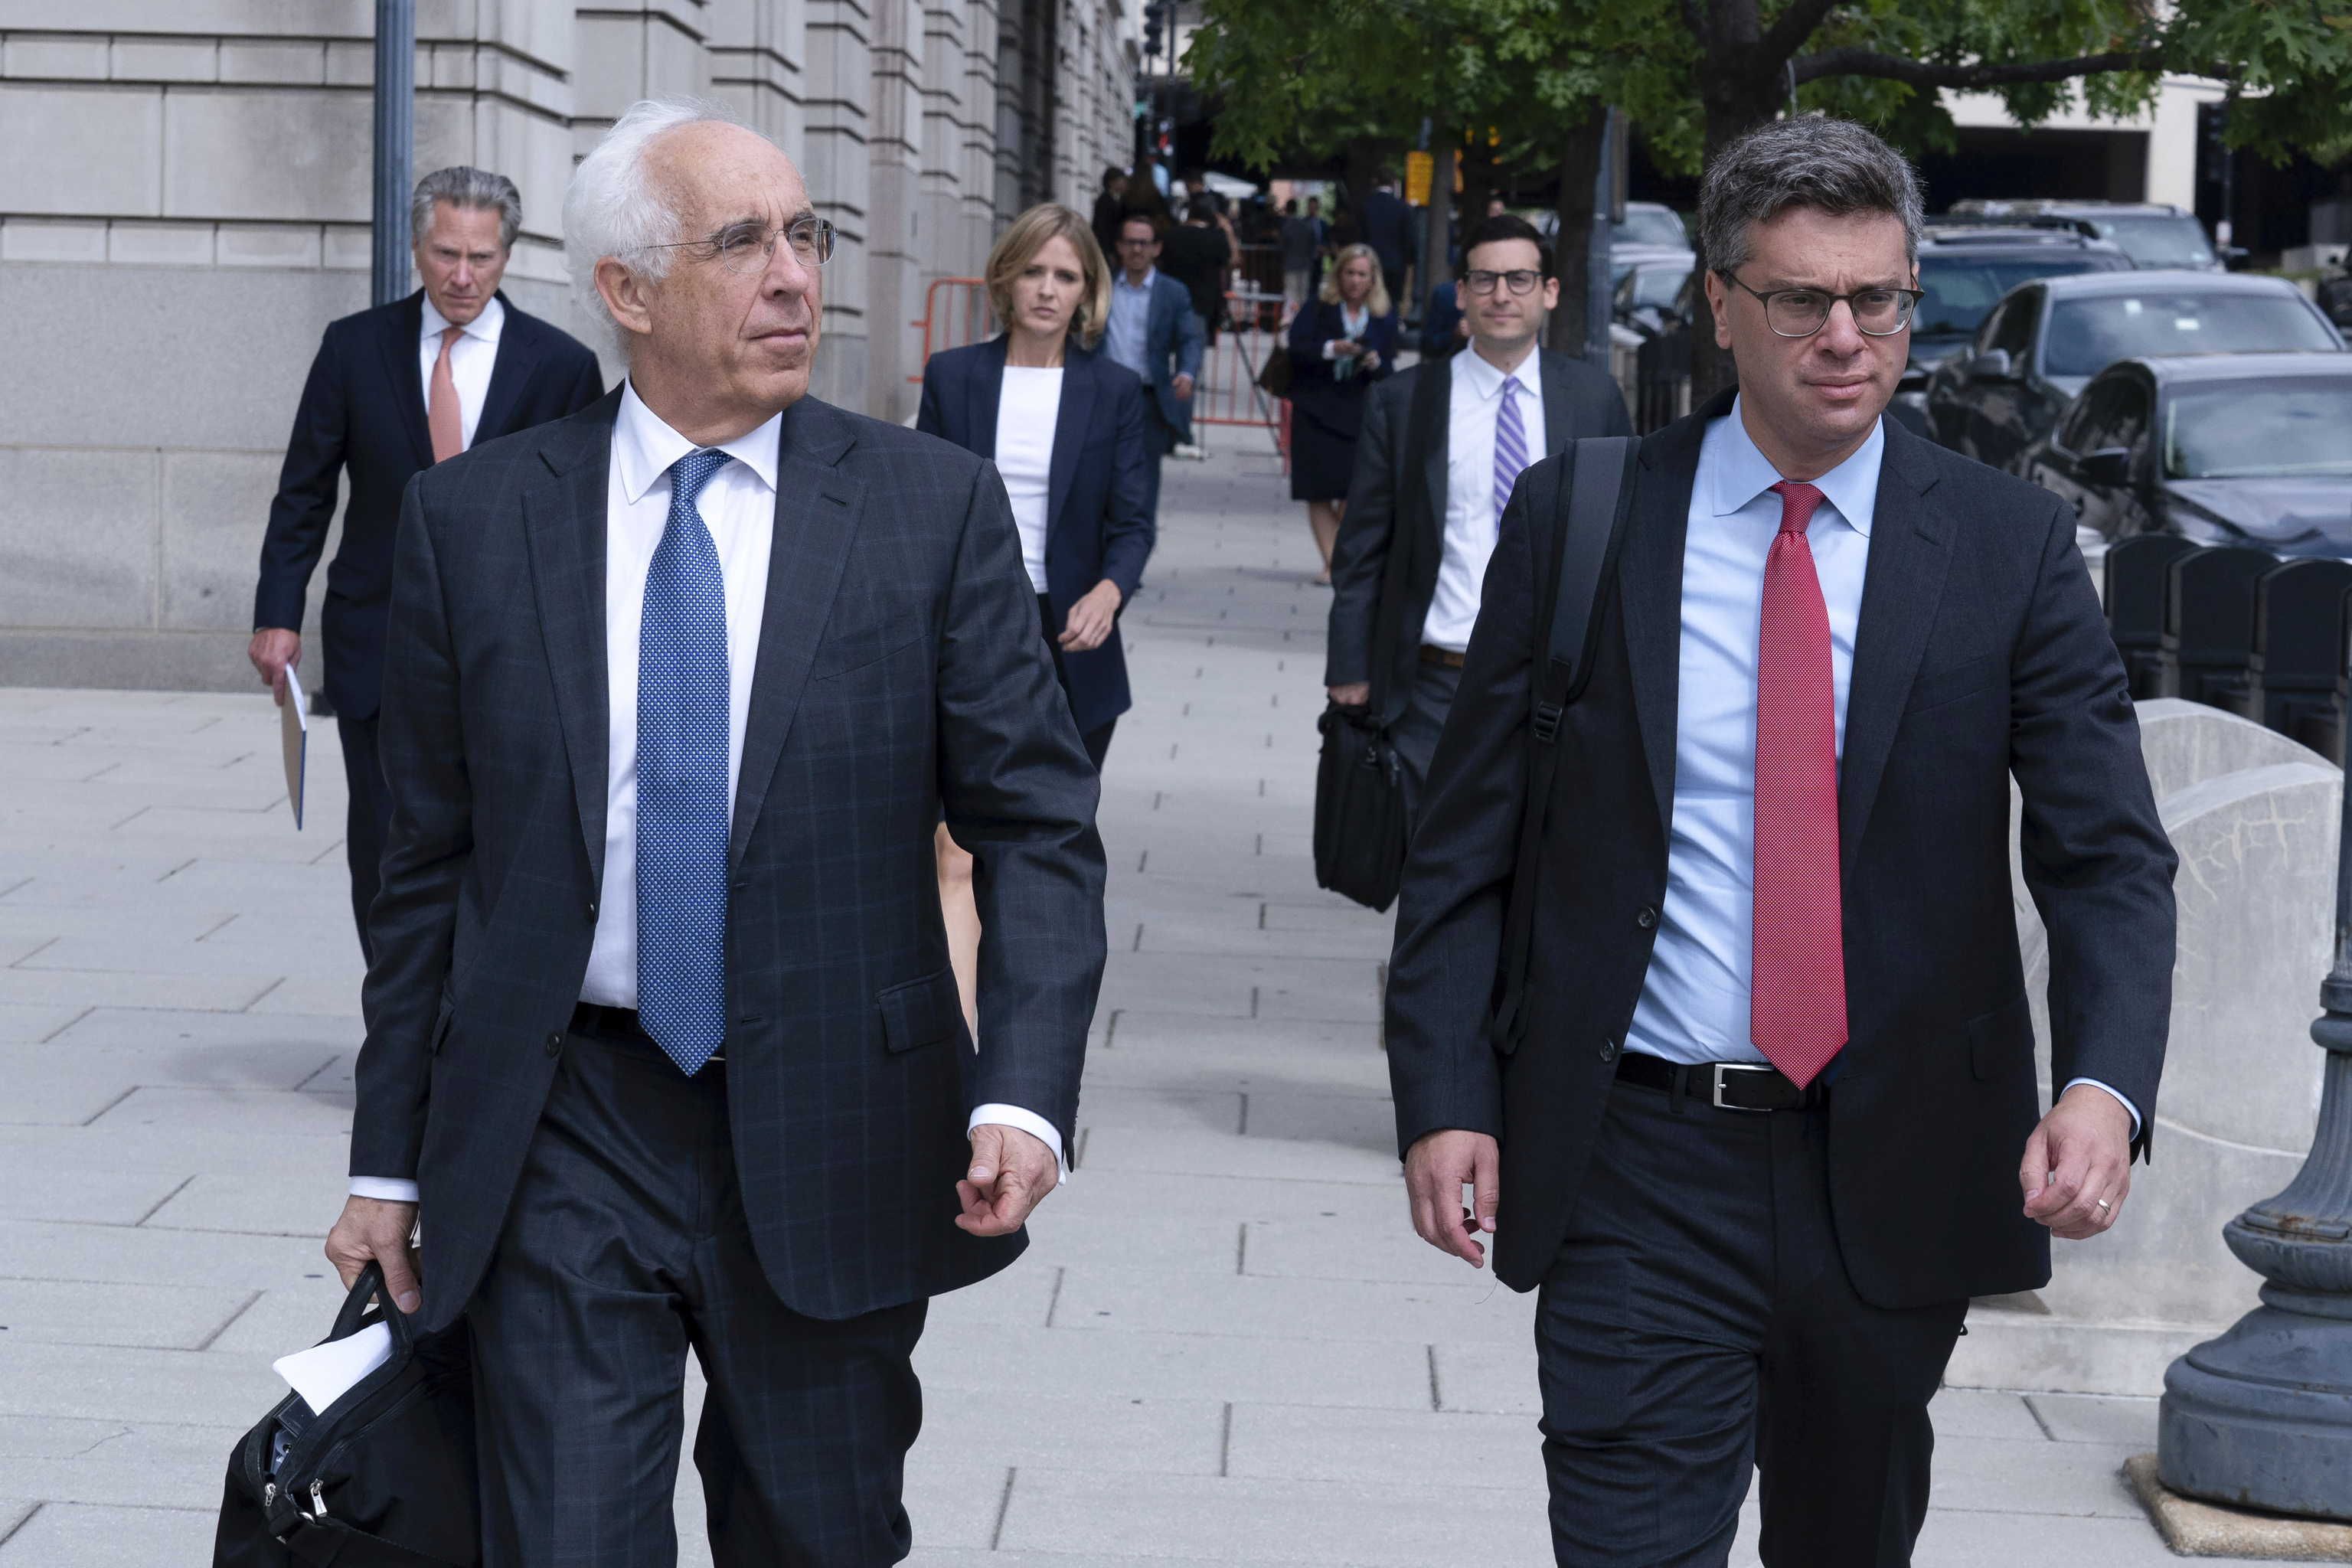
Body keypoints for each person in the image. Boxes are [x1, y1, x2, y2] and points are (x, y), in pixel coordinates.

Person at [323, 100, 1106, 1566]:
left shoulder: (924, 511)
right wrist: (389, 1161)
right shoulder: (476, 522)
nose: (795, 275)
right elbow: (423, 869)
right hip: (566, 1123)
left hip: (836, 1125)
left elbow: (1038, 821)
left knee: (817, 1534)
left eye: (805, 235)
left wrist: (1026, 1089)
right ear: (624, 290)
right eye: (743, 242)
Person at [1385, 116, 2175, 1566]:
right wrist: (1445, 1089)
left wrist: (2105, 1084)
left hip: (1894, 1163)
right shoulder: (1584, 518)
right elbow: (1463, 847)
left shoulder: (2004, 546)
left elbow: (2107, 850)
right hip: (1638, 1155)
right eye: (1802, 298)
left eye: (1877, 297)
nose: (1844, 335)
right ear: (1718, 304)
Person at [250, 166, 603, 961]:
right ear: (416, 247)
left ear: (508, 255)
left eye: (481, 255)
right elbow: (304, 491)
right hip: (376, 640)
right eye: (446, 252)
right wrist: (278, 611)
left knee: (498, 842)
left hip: (512, 651)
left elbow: (587, 520)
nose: (462, 275)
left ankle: (469, 1033)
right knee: (382, 843)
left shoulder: (561, 367)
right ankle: (397, 1041)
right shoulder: (353, 347)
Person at [918, 203, 1152, 1031]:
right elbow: (925, 505)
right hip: (972, 625)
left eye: (1067, 275)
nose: (1048, 290)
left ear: (1087, 290)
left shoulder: (1117, 392)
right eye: (1034, 272)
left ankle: (1035, 1023)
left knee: (1049, 843)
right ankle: (961, 1033)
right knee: (953, 842)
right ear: (1006, 279)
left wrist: (1110, 592)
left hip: (1074, 639)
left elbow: (1133, 520)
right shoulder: (955, 377)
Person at [1325, 214, 1631, 823]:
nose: (1501, 295)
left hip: (1558, 688)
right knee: (1428, 870)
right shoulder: (1405, 401)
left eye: (1519, 279)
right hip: (1434, 684)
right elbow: (1363, 545)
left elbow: (1626, 543)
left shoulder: (1594, 400)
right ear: (1460, 294)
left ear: (1548, 291)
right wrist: (1349, 667)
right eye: (1485, 280)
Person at [1285, 243, 1397, 582]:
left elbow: (1389, 369)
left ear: (1372, 278)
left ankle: (1339, 559)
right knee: (1317, 491)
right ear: (1339, 274)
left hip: (1357, 412)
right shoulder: (1319, 308)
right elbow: (1297, 347)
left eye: (1362, 274)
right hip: (1317, 409)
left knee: (1354, 490)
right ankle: (1333, 564)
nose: (1355, 281)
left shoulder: (1382, 316)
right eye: (1349, 273)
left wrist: (1372, 360)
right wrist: (1332, 348)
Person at [1102, 213, 1204, 528]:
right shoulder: (1101, 288)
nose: (1136, 250)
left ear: (1156, 248)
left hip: (1148, 399)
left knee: (1143, 481)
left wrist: (1187, 372)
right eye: (1130, 242)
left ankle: (1132, 553)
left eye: (1143, 243)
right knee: (1100, 475)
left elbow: (1190, 338)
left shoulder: (1173, 293)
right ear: (1119, 246)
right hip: (1103, 396)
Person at [1161, 196, 1233, 347]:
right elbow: (1233, 261)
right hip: (1201, 306)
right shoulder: (1214, 239)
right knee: (1193, 356)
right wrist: (1228, 230)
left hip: (1169, 303)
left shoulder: (1169, 236)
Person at [1357, 173, 1414, 319]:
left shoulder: (1366, 205)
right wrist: (1408, 261)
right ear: (1393, 182)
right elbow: (1408, 239)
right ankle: (1391, 334)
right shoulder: (1402, 207)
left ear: (1376, 181)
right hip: (1395, 264)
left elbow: (1359, 236)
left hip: (1369, 262)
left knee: (1369, 300)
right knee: (1392, 302)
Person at [1279, 198, 1319, 316]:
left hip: (1291, 264)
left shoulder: (1286, 226)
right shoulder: (1306, 226)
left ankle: (1292, 318)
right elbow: (1312, 245)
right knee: (1303, 295)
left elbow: (1282, 246)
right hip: (1305, 264)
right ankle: (1303, 317)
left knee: (1292, 294)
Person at [1091, 164, 1128, 261]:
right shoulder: (1106, 201)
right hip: (1108, 252)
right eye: (1122, 180)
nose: (1125, 184)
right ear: (1112, 183)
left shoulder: (1113, 200)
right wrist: (1109, 252)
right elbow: (1104, 228)